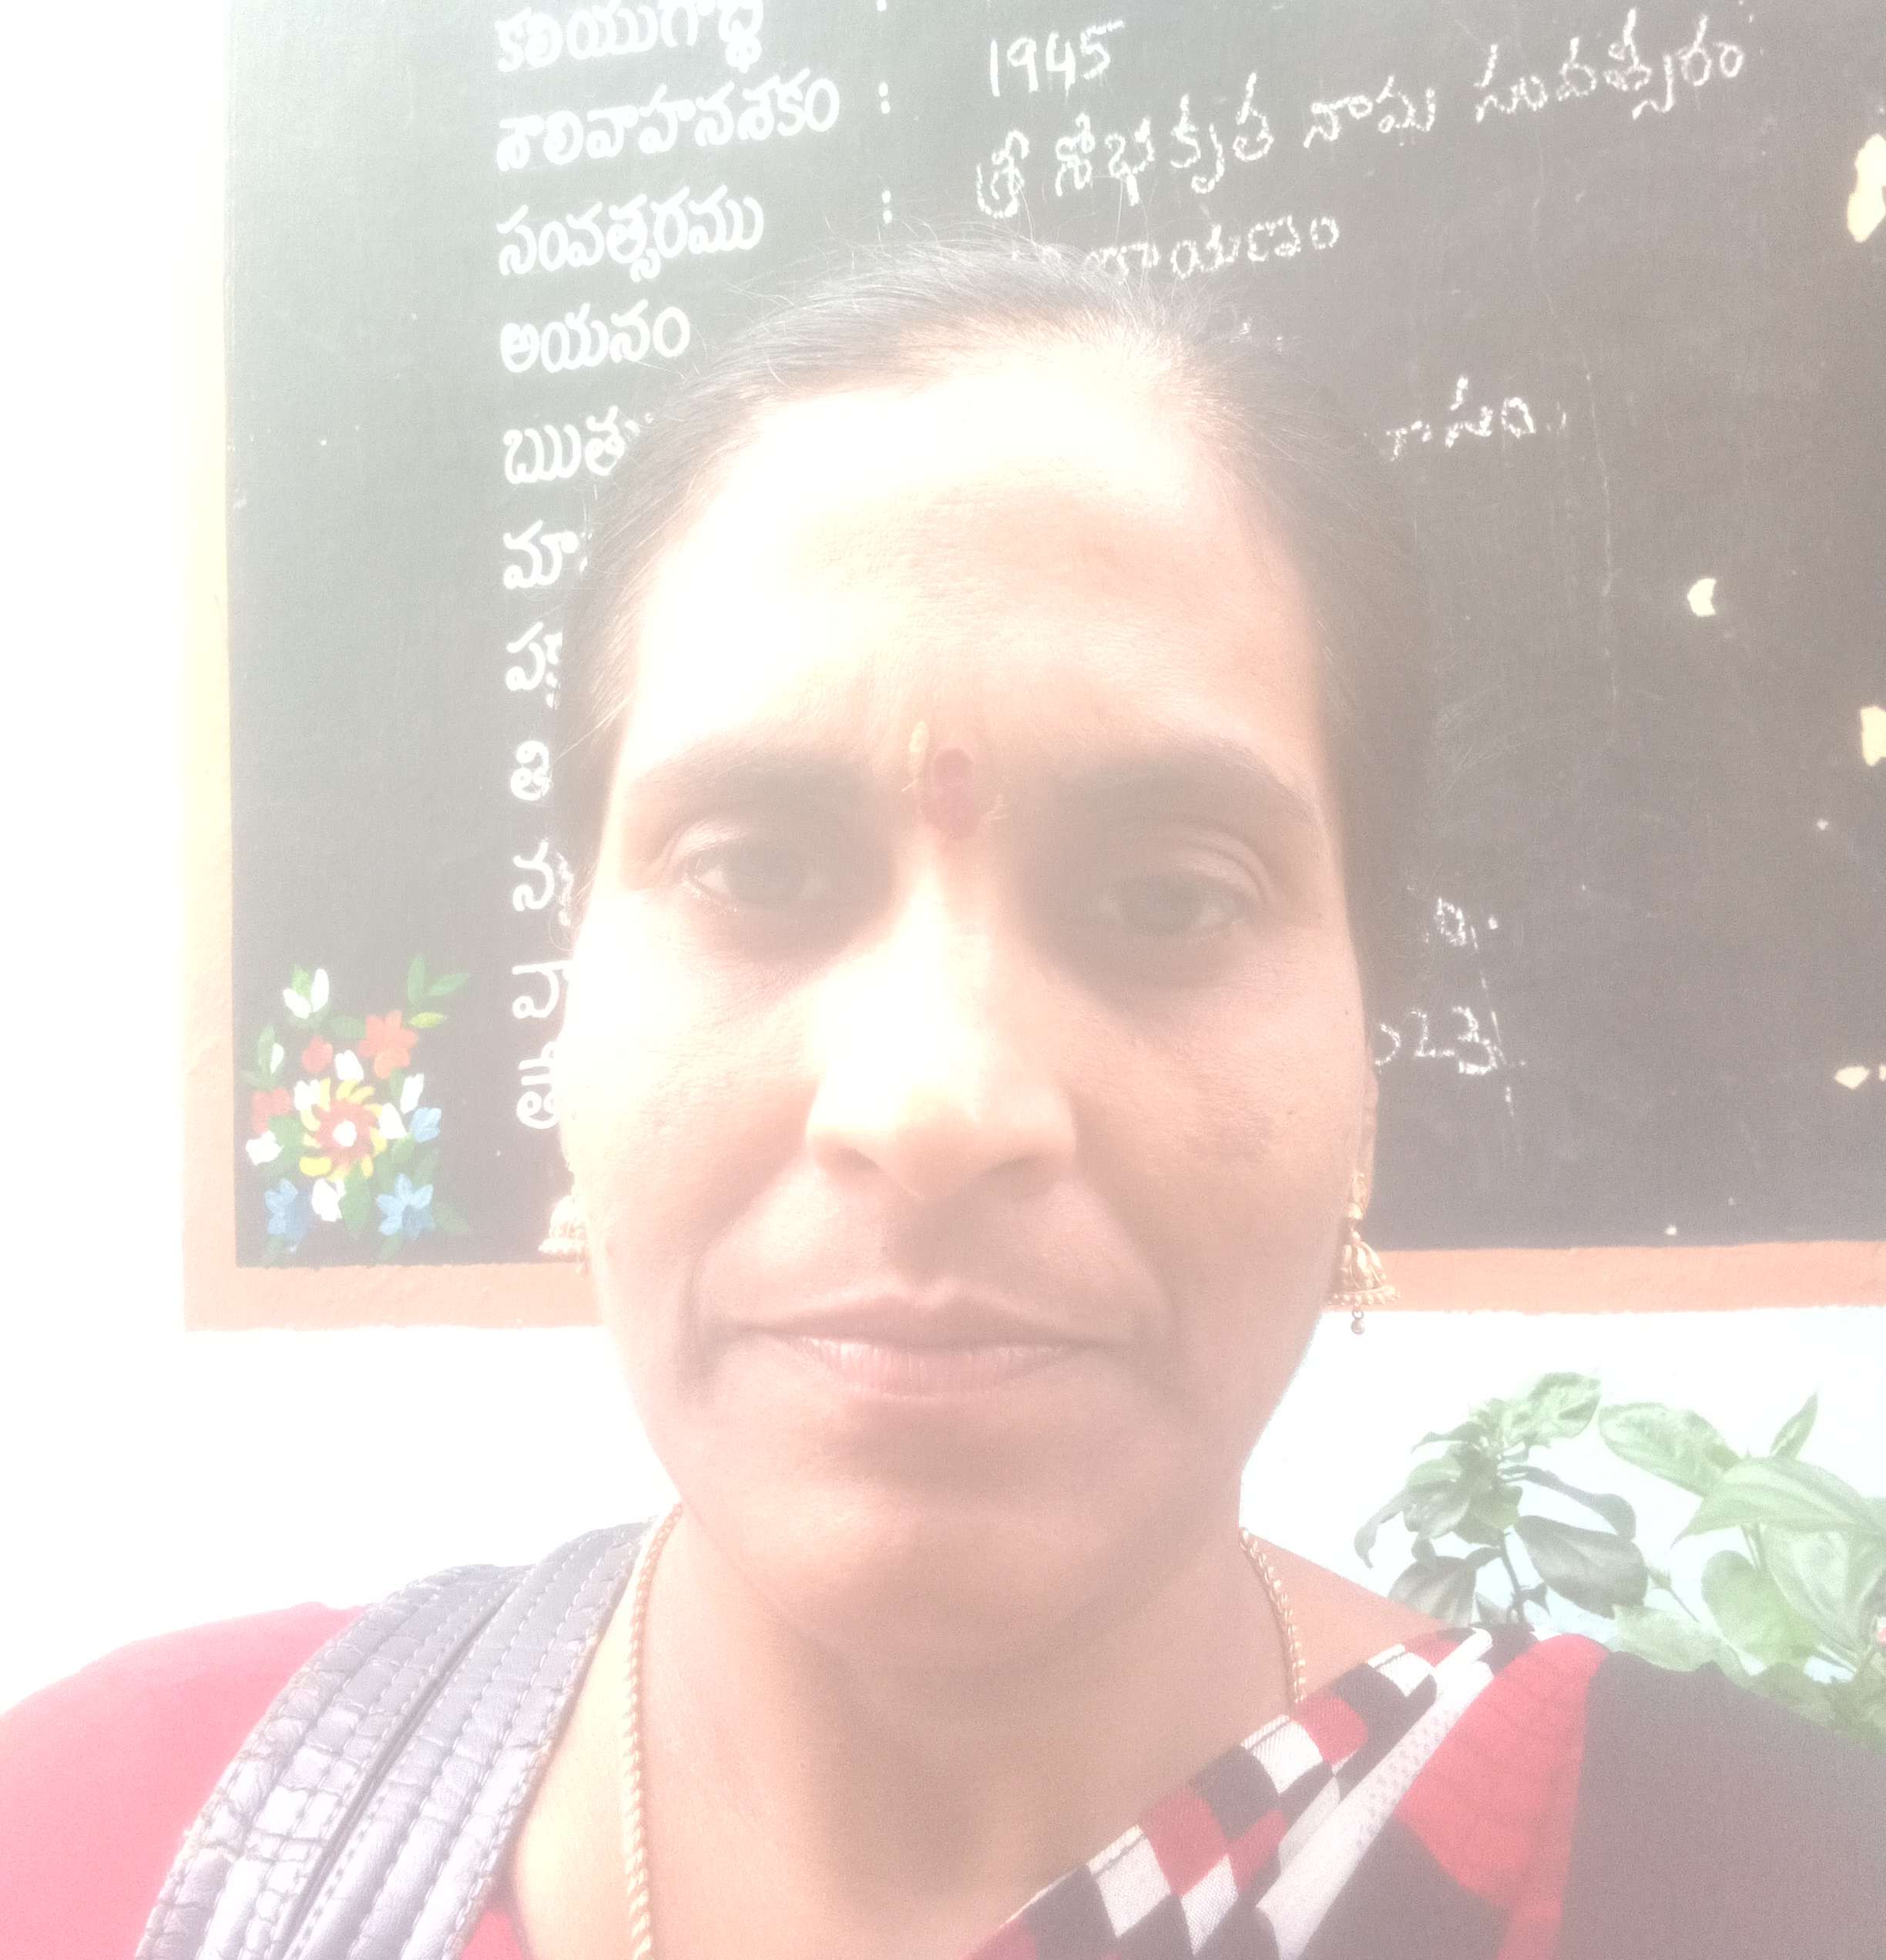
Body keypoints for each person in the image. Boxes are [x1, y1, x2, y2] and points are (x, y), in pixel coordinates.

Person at [3, 240, 1879, 1958]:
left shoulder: (1758, 1897)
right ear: (568, 996)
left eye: (1167, 901)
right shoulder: (107, 1845)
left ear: (1366, 1047)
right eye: (755, 870)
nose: (933, 1102)